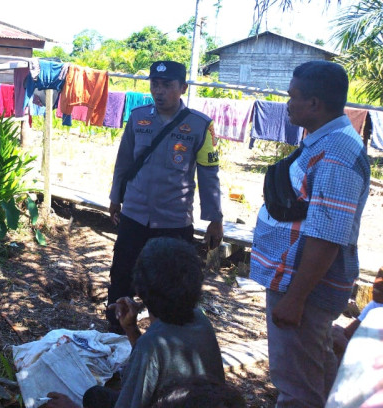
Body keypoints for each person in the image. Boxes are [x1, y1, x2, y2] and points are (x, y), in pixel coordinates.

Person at [249, 60, 370, 408]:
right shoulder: (325, 141)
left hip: (304, 289)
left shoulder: (335, 154)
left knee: (296, 388)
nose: (287, 103)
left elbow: (327, 236)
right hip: (296, 284)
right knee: (314, 374)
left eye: (293, 96)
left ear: (314, 104)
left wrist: (296, 298)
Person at [105, 60, 222, 332]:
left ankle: (166, 338)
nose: (159, 91)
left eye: (167, 85)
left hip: (174, 220)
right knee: (122, 276)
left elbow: (209, 174)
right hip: (134, 215)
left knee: (171, 284)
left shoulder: (201, 126)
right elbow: (123, 162)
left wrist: (215, 218)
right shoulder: (138, 117)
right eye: (154, 84)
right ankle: (115, 331)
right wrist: (115, 197)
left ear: (182, 87)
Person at [45, 238, 225, 408]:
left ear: (139, 288)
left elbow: (151, 358)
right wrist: (130, 328)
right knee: (95, 396)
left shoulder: (151, 345)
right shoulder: (199, 319)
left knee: (91, 399)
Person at [332, 267, 383, 357]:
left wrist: (345, 344)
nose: (379, 282)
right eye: (379, 275)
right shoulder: (376, 304)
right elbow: (349, 332)